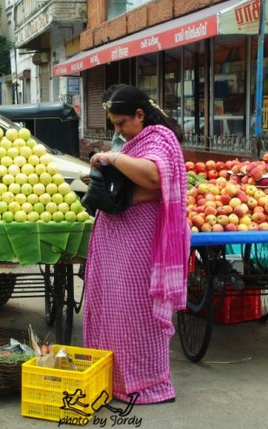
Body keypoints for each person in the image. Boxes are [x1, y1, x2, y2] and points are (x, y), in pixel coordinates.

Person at [84, 85, 190, 404]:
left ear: (139, 115)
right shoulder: (137, 140)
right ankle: (115, 379)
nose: (118, 130)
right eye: (114, 124)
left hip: (141, 240)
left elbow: (156, 176)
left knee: (137, 310)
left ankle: (146, 382)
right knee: (113, 306)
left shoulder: (159, 138)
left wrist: (112, 157)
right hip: (118, 239)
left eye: (121, 123)